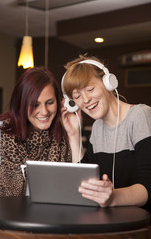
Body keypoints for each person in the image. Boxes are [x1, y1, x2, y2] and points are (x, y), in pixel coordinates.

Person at [61, 54, 151, 211]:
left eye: (90, 89)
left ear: (108, 83)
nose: (86, 99)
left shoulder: (140, 115)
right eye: (77, 96)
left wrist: (112, 197)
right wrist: (73, 134)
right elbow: (87, 182)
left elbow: (148, 187)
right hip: (109, 223)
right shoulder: (97, 128)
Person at [0, 67, 71, 197]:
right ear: (21, 104)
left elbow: (74, 189)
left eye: (50, 102)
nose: (44, 112)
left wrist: (74, 133)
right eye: (35, 104)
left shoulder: (62, 141)